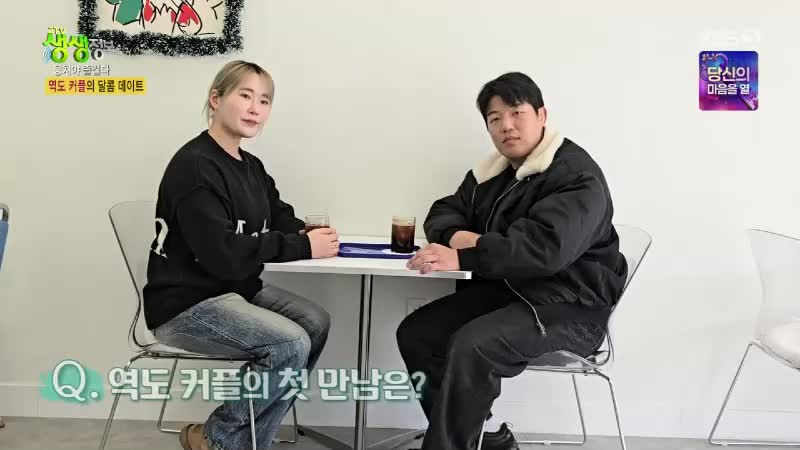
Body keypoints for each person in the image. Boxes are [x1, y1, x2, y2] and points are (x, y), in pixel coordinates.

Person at [398, 72, 629, 450]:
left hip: (570, 308)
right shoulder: (492, 174)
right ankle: (487, 440)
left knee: (474, 344)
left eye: (516, 113)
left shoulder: (575, 176)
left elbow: (543, 250)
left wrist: (465, 254)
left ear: (542, 115)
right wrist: (460, 238)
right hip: (512, 294)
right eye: (494, 118)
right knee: (418, 333)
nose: (506, 125)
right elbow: (443, 211)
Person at [142, 60, 339, 450]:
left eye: (264, 101)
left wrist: (305, 232)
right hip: (187, 303)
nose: (255, 108)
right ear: (216, 99)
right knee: (289, 345)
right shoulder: (195, 167)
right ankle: (216, 439)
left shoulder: (250, 166)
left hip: (234, 291)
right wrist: (303, 247)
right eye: (245, 95)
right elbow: (223, 255)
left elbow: (277, 214)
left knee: (315, 323)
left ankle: (245, 443)